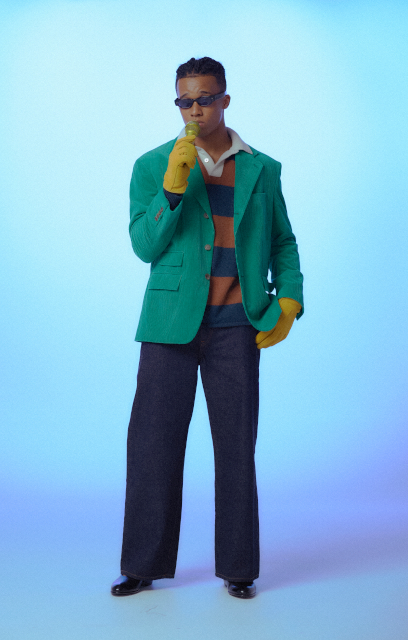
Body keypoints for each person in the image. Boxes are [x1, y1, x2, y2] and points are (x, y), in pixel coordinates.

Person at [111, 56, 304, 599]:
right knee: (152, 445)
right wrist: (172, 190)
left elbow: (283, 242)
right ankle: (141, 565)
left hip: (237, 323)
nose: (194, 110)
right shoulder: (152, 164)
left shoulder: (263, 169)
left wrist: (289, 298)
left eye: (204, 99)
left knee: (236, 447)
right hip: (170, 322)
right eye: (184, 101)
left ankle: (239, 569)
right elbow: (144, 246)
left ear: (224, 99)